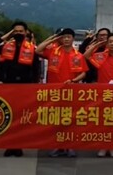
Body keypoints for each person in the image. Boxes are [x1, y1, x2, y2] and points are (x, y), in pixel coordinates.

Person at [36, 28, 88, 158]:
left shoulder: (78, 55)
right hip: (54, 92)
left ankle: (69, 146)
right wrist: (54, 38)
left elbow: (83, 72)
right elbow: (37, 50)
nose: (66, 39)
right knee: (55, 120)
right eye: (63, 37)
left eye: (68, 37)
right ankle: (56, 145)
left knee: (70, 120)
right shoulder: (53, 51)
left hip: (71, 92)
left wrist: (75, 80)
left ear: (73, 39)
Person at [0, 21, 41, 157]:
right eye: (15, 31)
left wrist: (34, 83)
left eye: (21, 31)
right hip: (9, 84)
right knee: (9, 116)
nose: (18, 34)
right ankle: (9, 145)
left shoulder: (32, 48)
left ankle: (19, 145)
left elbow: (36, 68)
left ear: (26, 32)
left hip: (25, 85)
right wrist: (7, 36)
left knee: (22, 117)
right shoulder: (5, 46)